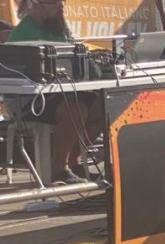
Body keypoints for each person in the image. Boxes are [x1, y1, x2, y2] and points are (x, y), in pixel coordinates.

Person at [8, 0, 102, 184]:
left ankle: (74, 161)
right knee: (75, 107)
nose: (61, 6)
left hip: (61, 93)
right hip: (30, 101)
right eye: (54, 2)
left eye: (62, 1)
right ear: (36, 3)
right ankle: (59, 168)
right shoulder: (22, 33)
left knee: (104, 106)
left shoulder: (59, 29)